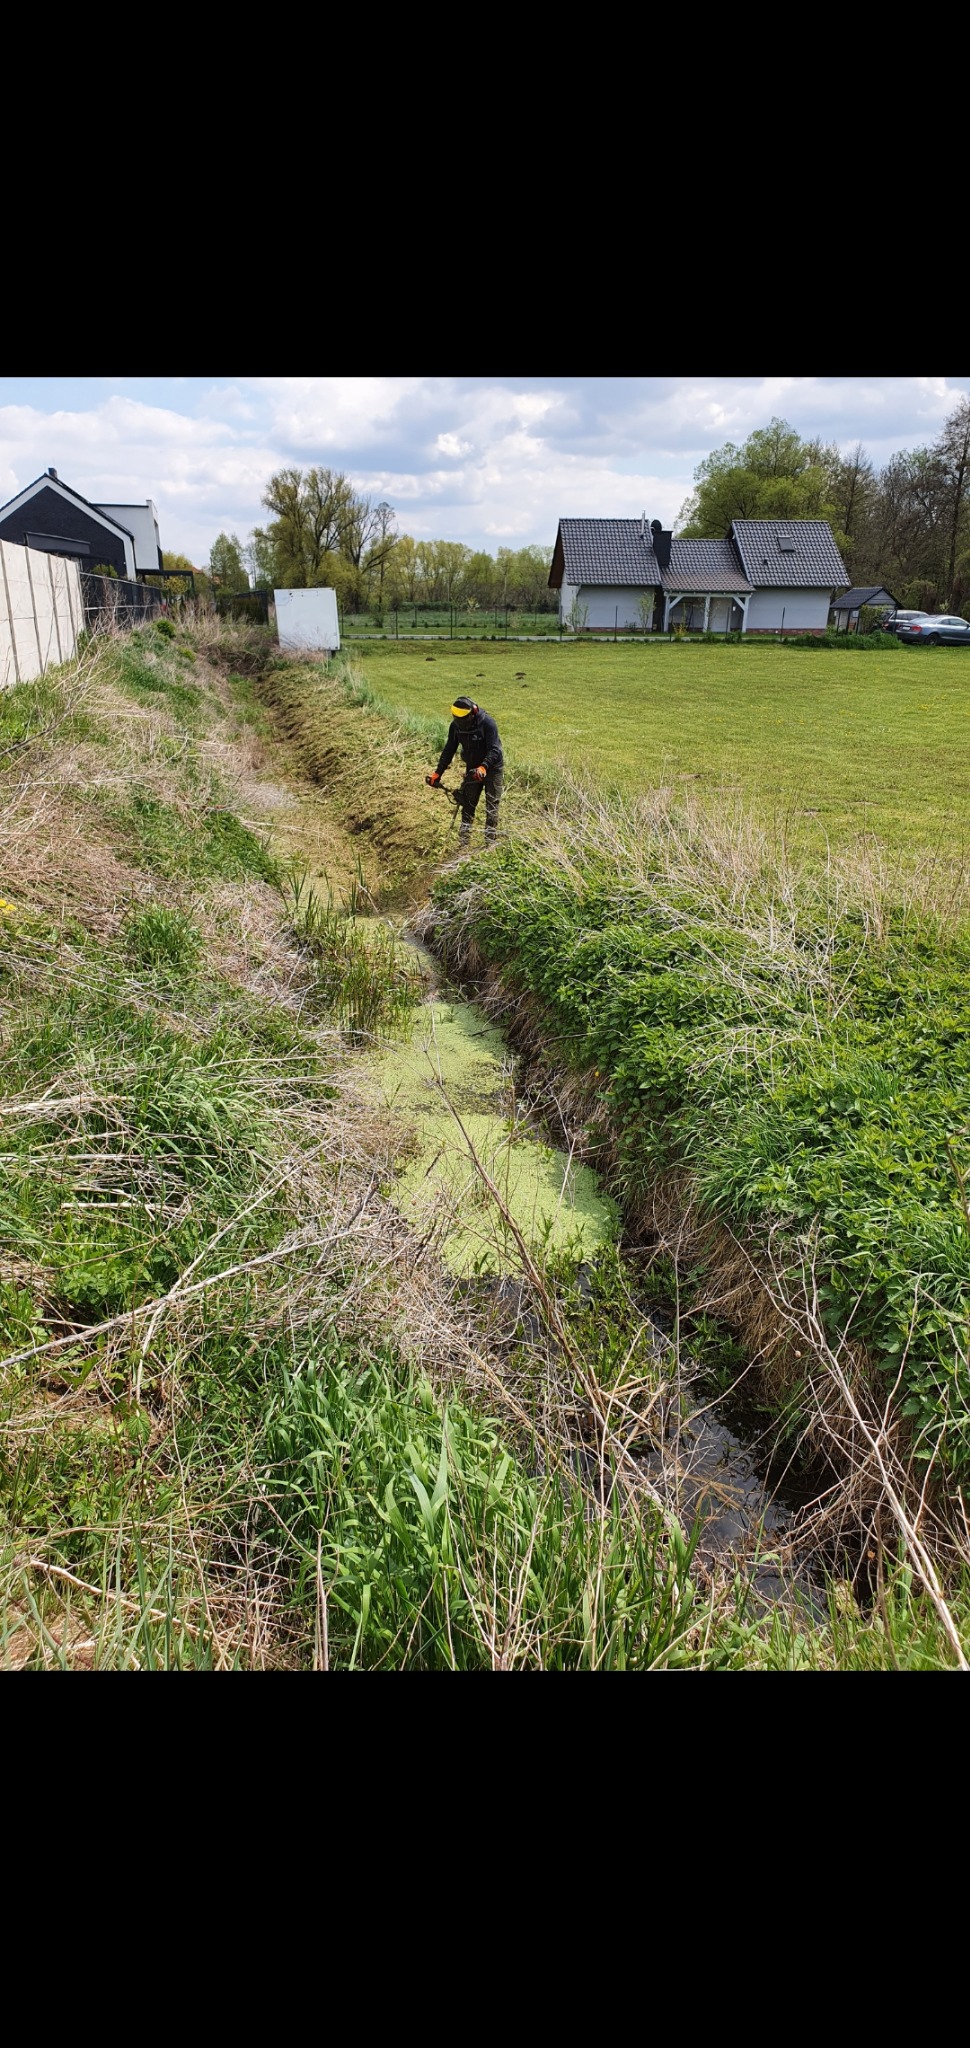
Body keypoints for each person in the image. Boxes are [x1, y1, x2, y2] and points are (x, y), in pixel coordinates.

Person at [426, 696, 504, 847]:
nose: (459, 723)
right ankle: (463, 843)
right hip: (472, 768)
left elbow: (495, 750)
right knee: (468, 804)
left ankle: (489, 844)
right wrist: (438, 773)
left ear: (472, 713)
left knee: (492, 805)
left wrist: (483, 767)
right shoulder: (455, 727)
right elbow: (449, 750)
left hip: (492, 767)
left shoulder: (487, 723)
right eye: (456, 719)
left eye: (463, 719)